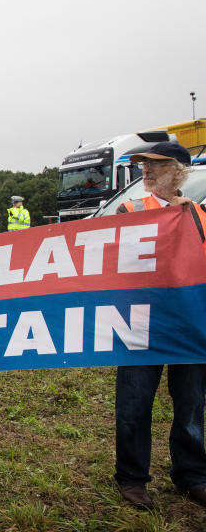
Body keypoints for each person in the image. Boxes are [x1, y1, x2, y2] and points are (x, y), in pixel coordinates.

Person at [113, 141, 206, 509]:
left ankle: (193, 476)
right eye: (143, 166)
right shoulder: (130, 209)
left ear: (180, 172)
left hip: (190, 324)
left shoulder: (199, 214)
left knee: (190, 406)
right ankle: (132, 478)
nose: (146, 172)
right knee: (134, 404)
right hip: (141, 323)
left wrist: (188, 219)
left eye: (156, 165)